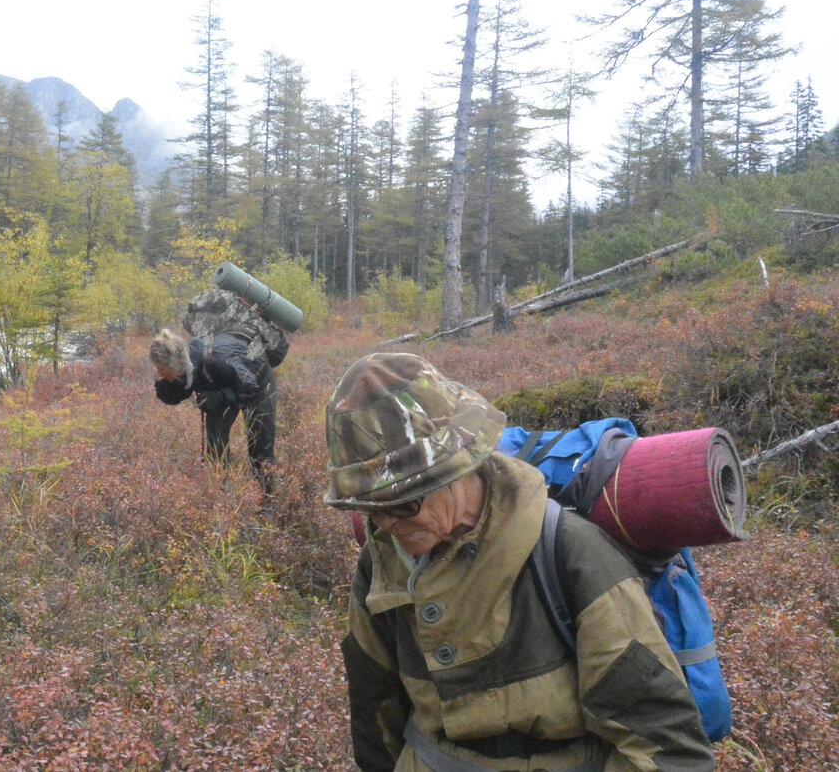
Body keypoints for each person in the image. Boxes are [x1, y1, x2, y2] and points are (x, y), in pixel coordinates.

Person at [324, 352, 715, 772]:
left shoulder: (569, 552)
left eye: (402, 504)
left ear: (457, 470)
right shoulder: (381, 560)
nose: (383, 524)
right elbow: (373, 709)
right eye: (369, 507)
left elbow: (665, 745)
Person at [149, 321, 277, 495]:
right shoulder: (187, 363)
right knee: (215, 443)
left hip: (257, 379)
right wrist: (165, 388)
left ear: (174, 365)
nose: (160, 374)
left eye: (162, 371)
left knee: (260, 446)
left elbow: (249, 387)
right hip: (222, 383)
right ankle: (223, 496)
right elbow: (180, 391)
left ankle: (266, 500)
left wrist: (220, 397)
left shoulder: (216, 358)